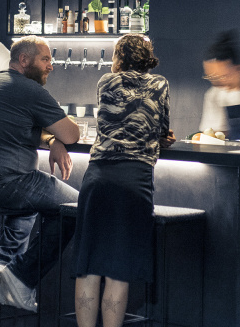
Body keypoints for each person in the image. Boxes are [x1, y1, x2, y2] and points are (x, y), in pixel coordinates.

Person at [0, 35, 80, 313]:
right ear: (24, 60)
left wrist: (51, 141)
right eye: (45, 59)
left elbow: (25, 127)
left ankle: (3, 269)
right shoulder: (29, 89)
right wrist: (58, 138)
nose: (51, 66)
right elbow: (72, 134)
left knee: (30, 202)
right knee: (77, 208)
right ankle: (22, 276)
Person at [72, 34, 174, 327]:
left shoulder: (105, 82)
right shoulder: (160, 84)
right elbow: (162, 128)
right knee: (119, 270)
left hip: (98, 178)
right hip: (134, 180)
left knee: (88, 267)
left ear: (118, 57)